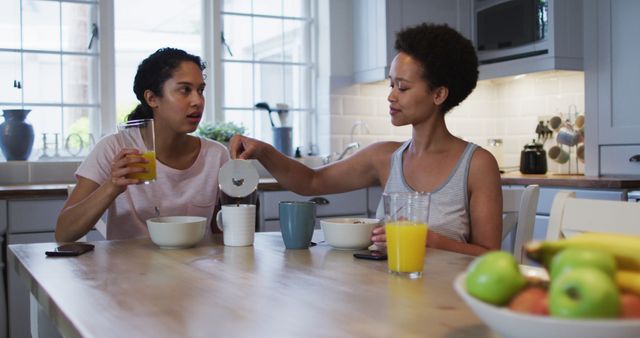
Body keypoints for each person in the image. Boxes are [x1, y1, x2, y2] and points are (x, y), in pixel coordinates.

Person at [229, 23, 502, 256]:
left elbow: (489, 255)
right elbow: (311, 182)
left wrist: (430, 241)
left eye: (403, 87)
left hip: (449, 299)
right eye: (391, 84)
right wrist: (264, 152)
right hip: (390, 290)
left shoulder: (477, 164)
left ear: (439, 94)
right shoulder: (384, 158)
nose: (391, 96)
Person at [56, 47, 229, 241]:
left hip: (194, 269)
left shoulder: (216, 155)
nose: (198, 101)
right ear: (152, 98)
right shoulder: (115, 148)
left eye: (200, 90)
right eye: (184, 90)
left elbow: (220, 237)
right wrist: (112, 186)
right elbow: (63, 233)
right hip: (129, 270)